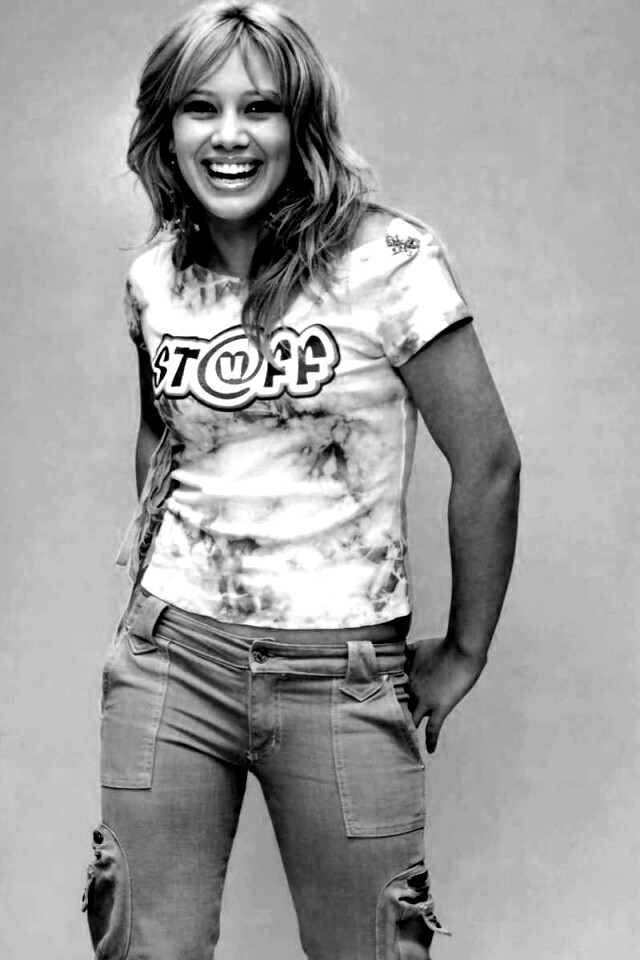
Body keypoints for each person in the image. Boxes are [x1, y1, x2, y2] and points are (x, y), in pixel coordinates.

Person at [82, 3, 520, 958]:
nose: (229, 135)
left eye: (260, 108)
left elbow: (488, 462)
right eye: (201, 107)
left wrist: (467, 649)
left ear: (302, 123)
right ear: (166, 128)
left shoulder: (388, 259)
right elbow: (163, 439)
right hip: (172, 660)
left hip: (343, 673)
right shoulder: (156, 278)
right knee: (144, 947)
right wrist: (147, 603)